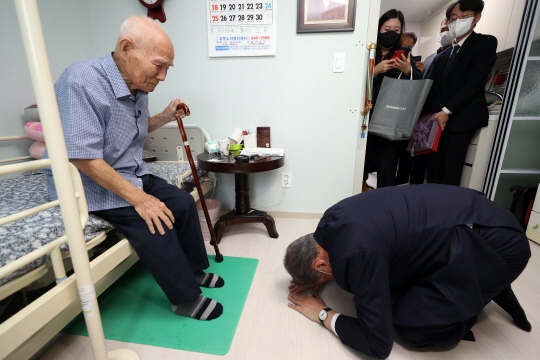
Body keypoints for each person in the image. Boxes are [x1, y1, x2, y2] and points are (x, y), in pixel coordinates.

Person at [43, 16, 224, 321]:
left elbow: (128, 132)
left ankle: (193, 270)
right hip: (88, 181)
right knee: (156, 219)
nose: (163, 76)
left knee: (181, 201)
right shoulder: (81, 82)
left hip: (128, 171)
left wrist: (165, 116)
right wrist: (141, 199)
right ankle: (185, 299)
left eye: (168, 68)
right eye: (159, 65)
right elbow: (84, 158)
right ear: (127, 48)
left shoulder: (138, 85)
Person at [284, 184, 531, 358]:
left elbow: (378, 344)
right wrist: (319, 279)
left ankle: (466, 309)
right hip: (473, 212)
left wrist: (323, 314)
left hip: (498, 247)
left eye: (324, 274)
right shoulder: (331, 219)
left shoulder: (358, 254)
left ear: (321, 265)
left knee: (410, 328)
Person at [421, 0, 496, 186]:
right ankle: (431, 207)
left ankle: (448, 211)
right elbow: (433, 88)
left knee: (451, 169)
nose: (458, 21)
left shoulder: (484, 43)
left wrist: (446, 110)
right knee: (433, 169)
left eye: (464, 17)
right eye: (454, 18)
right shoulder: (444, 55)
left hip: (462, 119)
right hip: (438, 120)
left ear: (476, 18)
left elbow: (474, 83)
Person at [362, 9, 422, 190]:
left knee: (387, 168)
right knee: (360, 164)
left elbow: (417, 84)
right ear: (378, 28)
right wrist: (374, 71)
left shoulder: (403, 53)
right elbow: (349, 84)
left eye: (396, 30)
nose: (391, 33)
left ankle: (384, 208)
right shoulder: (367, 50)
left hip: (390, 120)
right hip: (365, 118)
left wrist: (407, 70)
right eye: (387, 28)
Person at [409, 18, 452, 185]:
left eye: (448, 29)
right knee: (417, 158)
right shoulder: (430, 58)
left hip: (441, 115)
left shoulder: (455, 56)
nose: (445, 33)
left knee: (435, 164)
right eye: (442, 30)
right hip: (424, 116)